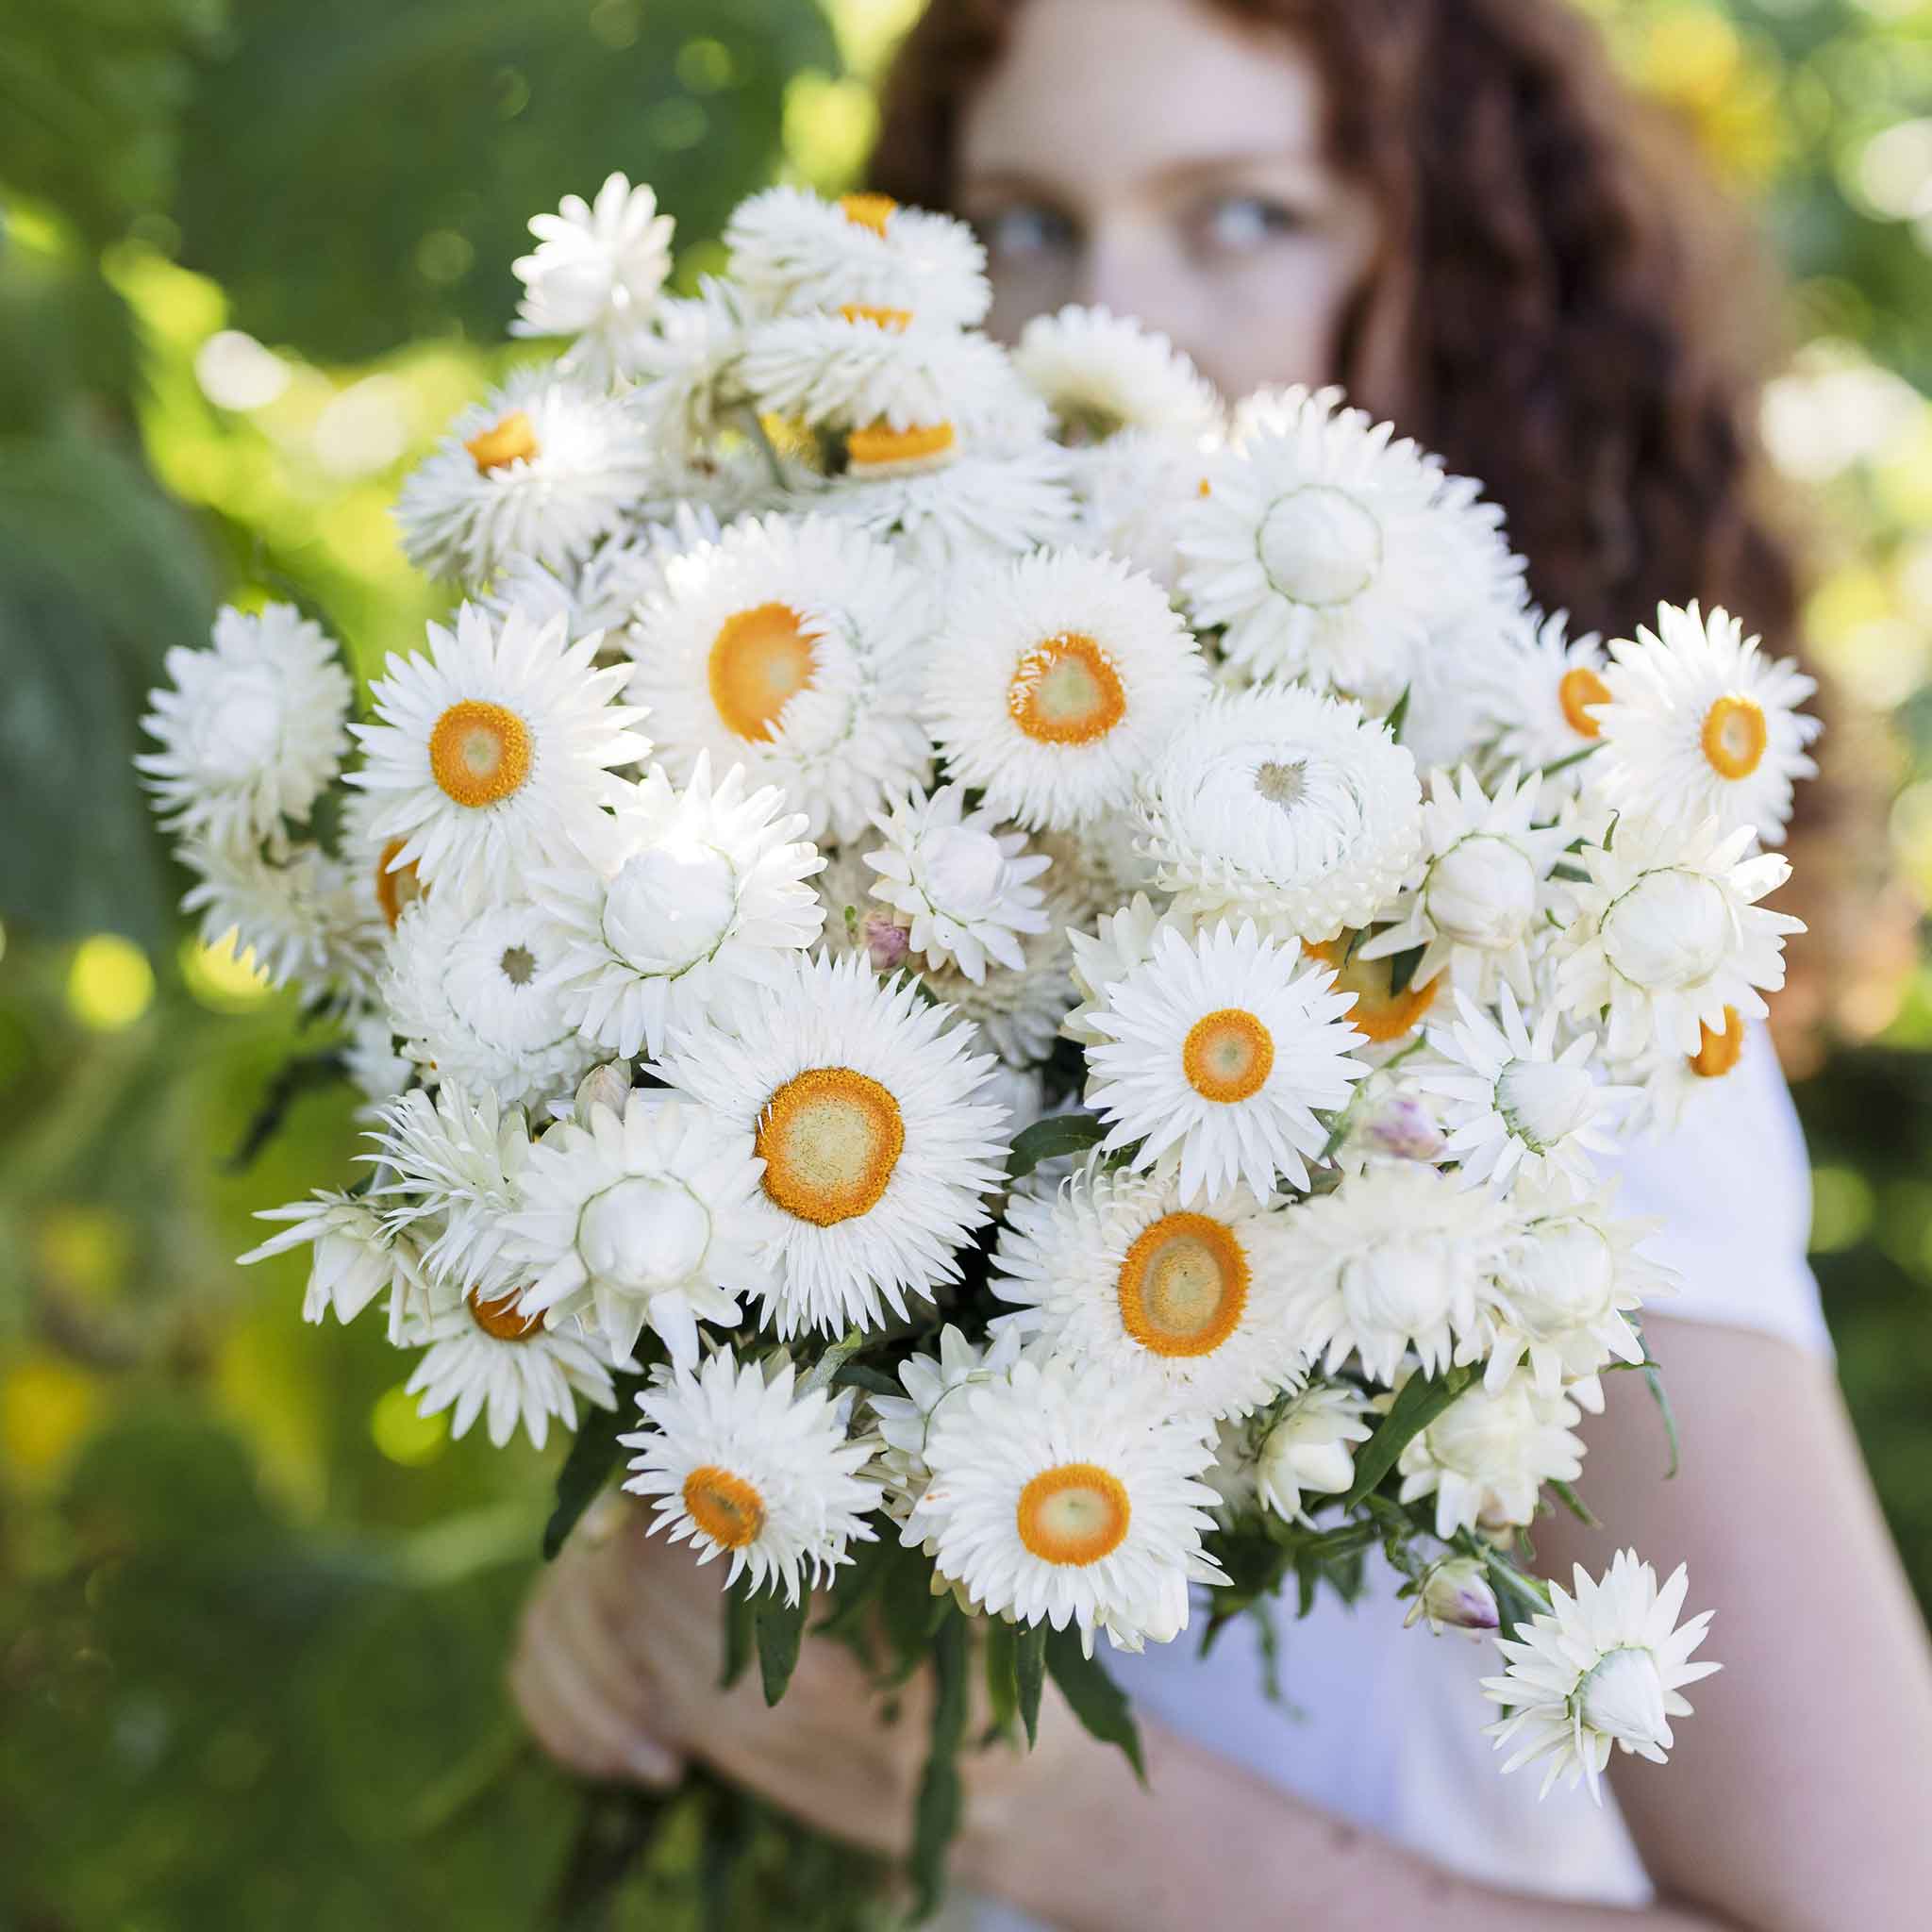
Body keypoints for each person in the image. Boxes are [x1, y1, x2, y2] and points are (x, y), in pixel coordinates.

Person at [510, 3, 1932, 1924]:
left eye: (1244, 218)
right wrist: (678, 1562)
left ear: (1465, 279)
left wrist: (1080, 1823)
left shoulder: (1537, 1021)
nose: (1117, 332)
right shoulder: (860, 917)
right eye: (1020, 226)